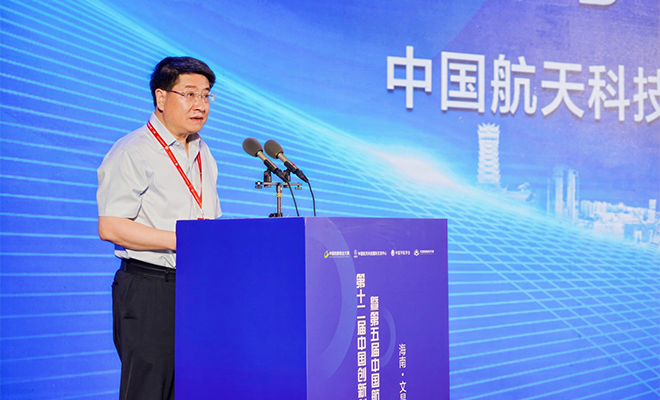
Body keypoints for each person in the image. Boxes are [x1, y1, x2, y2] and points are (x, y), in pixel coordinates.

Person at [96, 56, 222, 400]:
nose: (200, 105)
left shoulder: (203, 153)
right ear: (161, 97)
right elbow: (111, 226)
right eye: (190, 94)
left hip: (197, 288)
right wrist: (182, 241)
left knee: (194, 388)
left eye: (206, 95)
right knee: (149, 391)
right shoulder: (134, 151)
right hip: (150, 289)